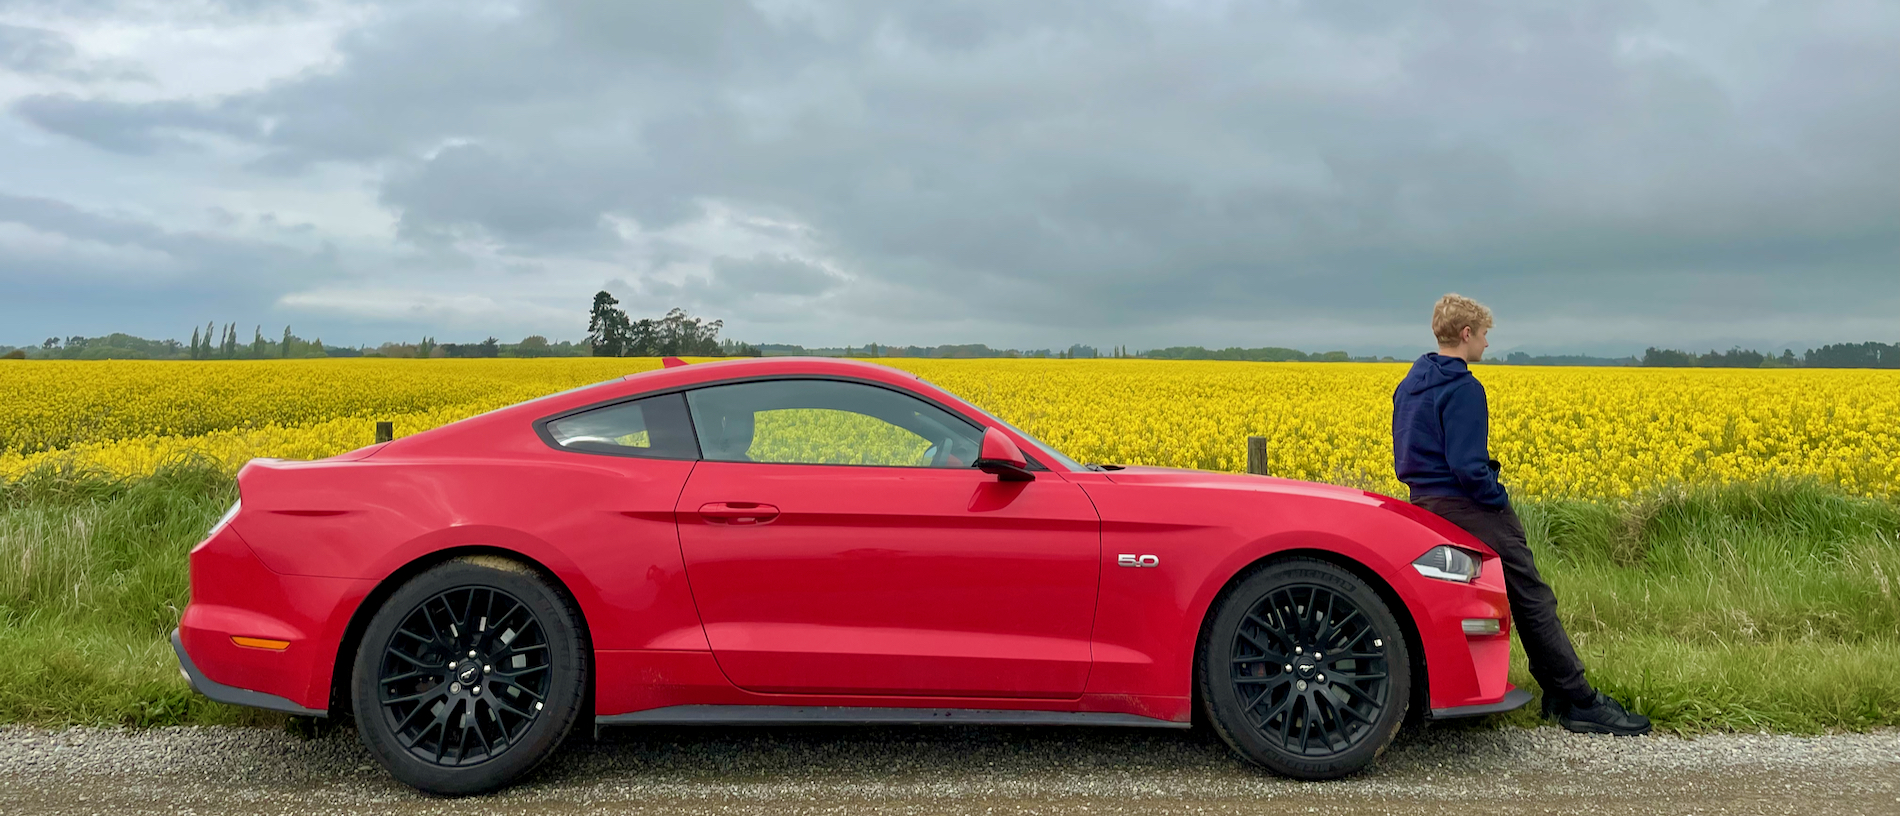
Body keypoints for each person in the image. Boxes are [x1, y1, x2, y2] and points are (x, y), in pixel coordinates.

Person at [1392, 294, 1651, 736]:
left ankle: (1553, 691)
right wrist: (1497, 498)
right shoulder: (1464, 388)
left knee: (1483, 597)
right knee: (1532, 595)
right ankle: (1577, 699)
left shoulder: (1409, 384)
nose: (1488, 345)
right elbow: (1468, 467)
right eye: (1485, 334)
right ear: (1467, 334)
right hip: (1469, 505)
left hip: (1424, 505)